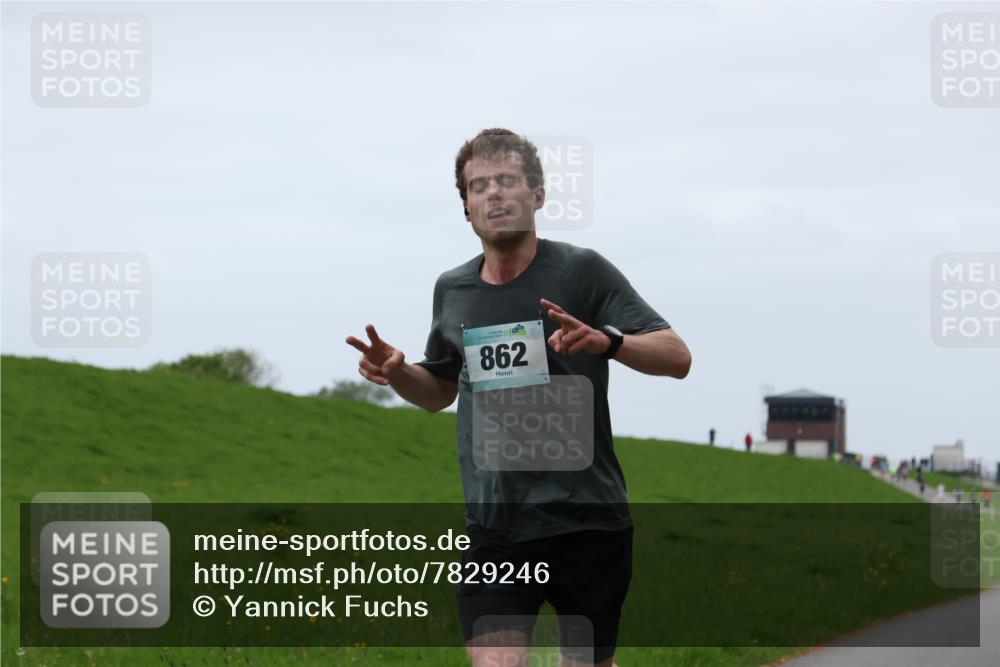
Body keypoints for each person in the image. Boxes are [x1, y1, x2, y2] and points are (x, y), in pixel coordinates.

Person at [346, 129, 692, 667]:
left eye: (507, 181)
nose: (494, 194)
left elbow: (676, 356)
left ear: (539, 195)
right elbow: (438, 391)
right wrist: (399, 372)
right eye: (478, 186)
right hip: (496, 528)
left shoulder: (582, 271)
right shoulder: (453, 290)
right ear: (465, 208)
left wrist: (609, 341)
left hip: (587, 520)